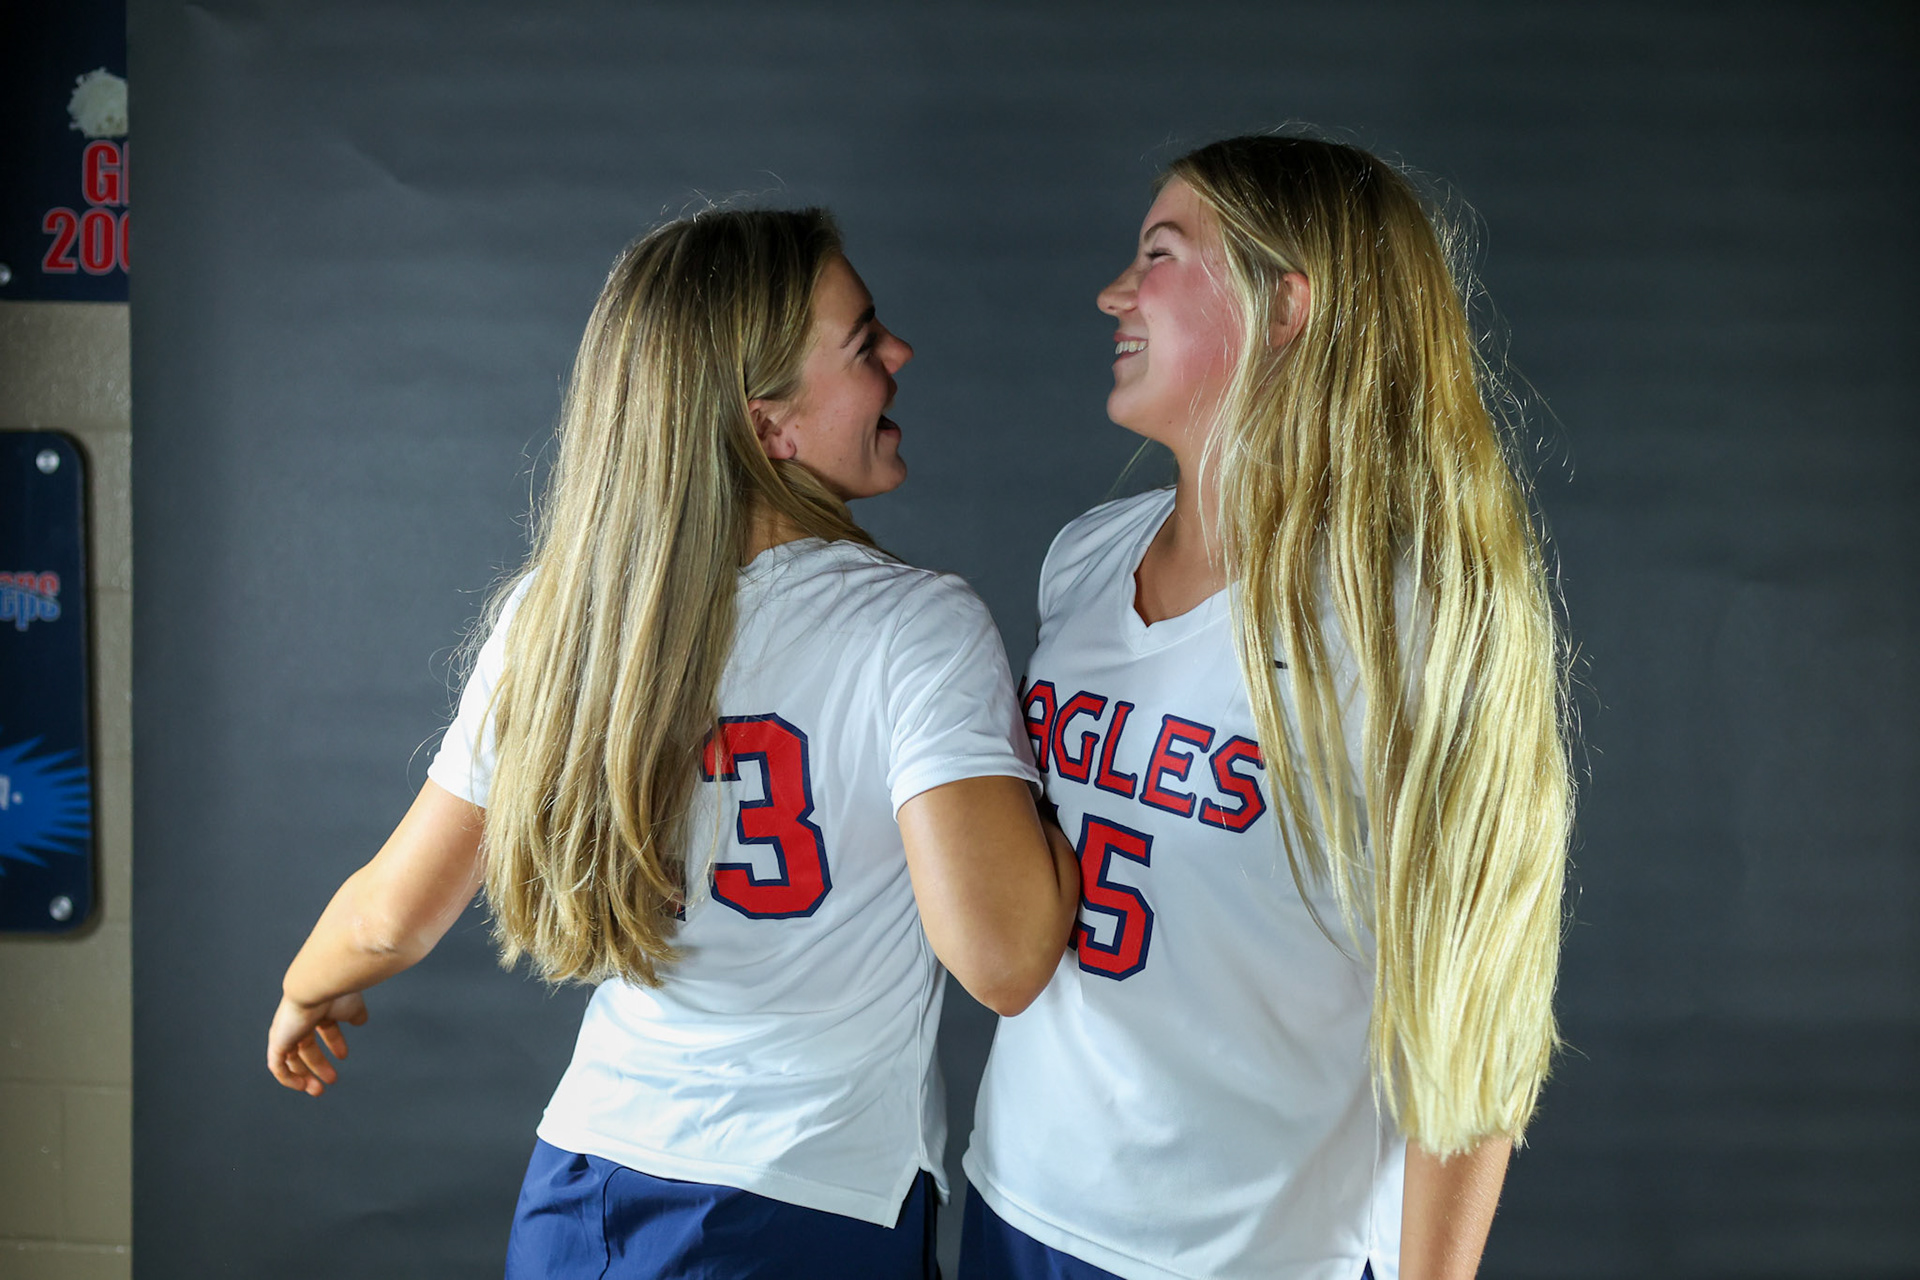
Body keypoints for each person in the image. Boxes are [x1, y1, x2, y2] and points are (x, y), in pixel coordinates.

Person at [265, 207, 1081, 1279]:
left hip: (584, 1184)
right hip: (804, 1208)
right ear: (769, 426)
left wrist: (302, 986)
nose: (900, 354)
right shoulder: (914, 626)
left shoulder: (557, 620)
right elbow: (1007, 959)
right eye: (865, 337)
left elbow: (388, 912)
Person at [960, 135, 1573, 1280]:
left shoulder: (1407, 630)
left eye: (1158, 254)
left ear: (1285, 305)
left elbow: (1472, 1014)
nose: (1114, 292)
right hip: (1018, 1207)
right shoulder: (1084, 563)